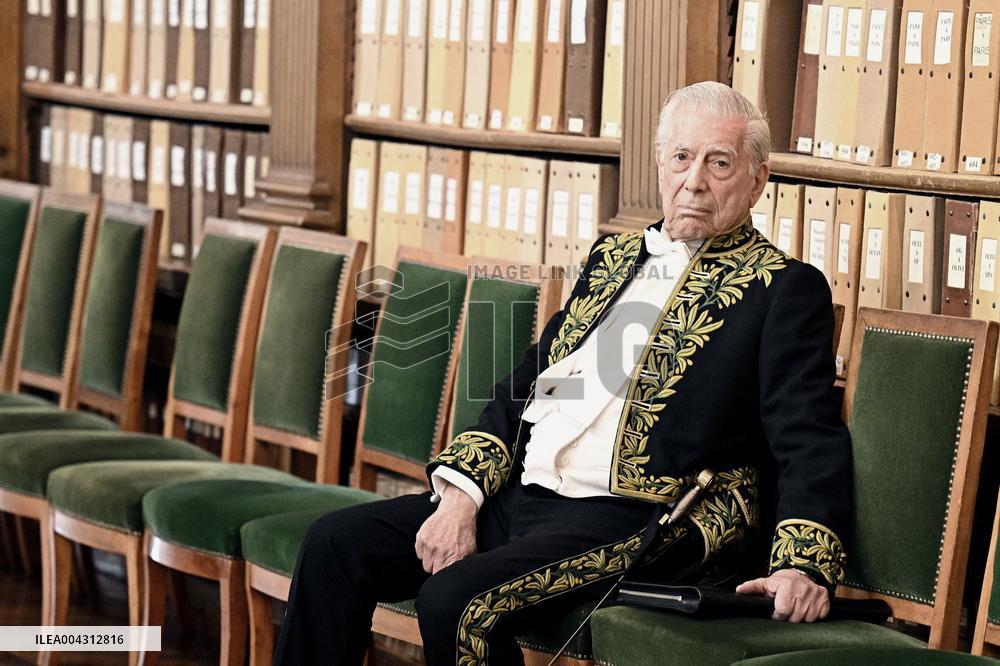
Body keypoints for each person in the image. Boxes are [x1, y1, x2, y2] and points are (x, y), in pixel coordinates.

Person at [273, 81, 852, 666]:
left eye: (719, 163)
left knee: (455, 600)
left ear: (758, 178)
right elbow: (535, 386)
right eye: (681, 157)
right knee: (333, 544)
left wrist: (802, 564)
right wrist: (461, 498)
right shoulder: (614, 260)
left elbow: (806, 435)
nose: (694, 181)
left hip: (639, 516)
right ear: (659, 164)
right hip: (524, 495)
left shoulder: (784, 288)